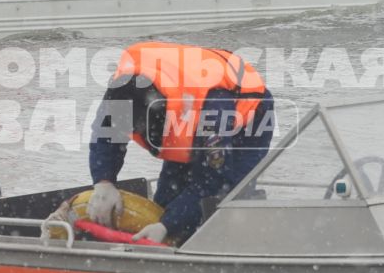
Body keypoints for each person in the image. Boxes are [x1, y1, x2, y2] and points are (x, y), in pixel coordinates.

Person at [85, 42, 273, 244]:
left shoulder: (212, 112)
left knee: (228, 195)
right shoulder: (122, 91)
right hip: (187, 105)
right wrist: (104, 182)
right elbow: (103, 136)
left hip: (249, 119)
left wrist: (168, 225)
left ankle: (242, 245)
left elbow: (213, 180)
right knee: (167, 198)